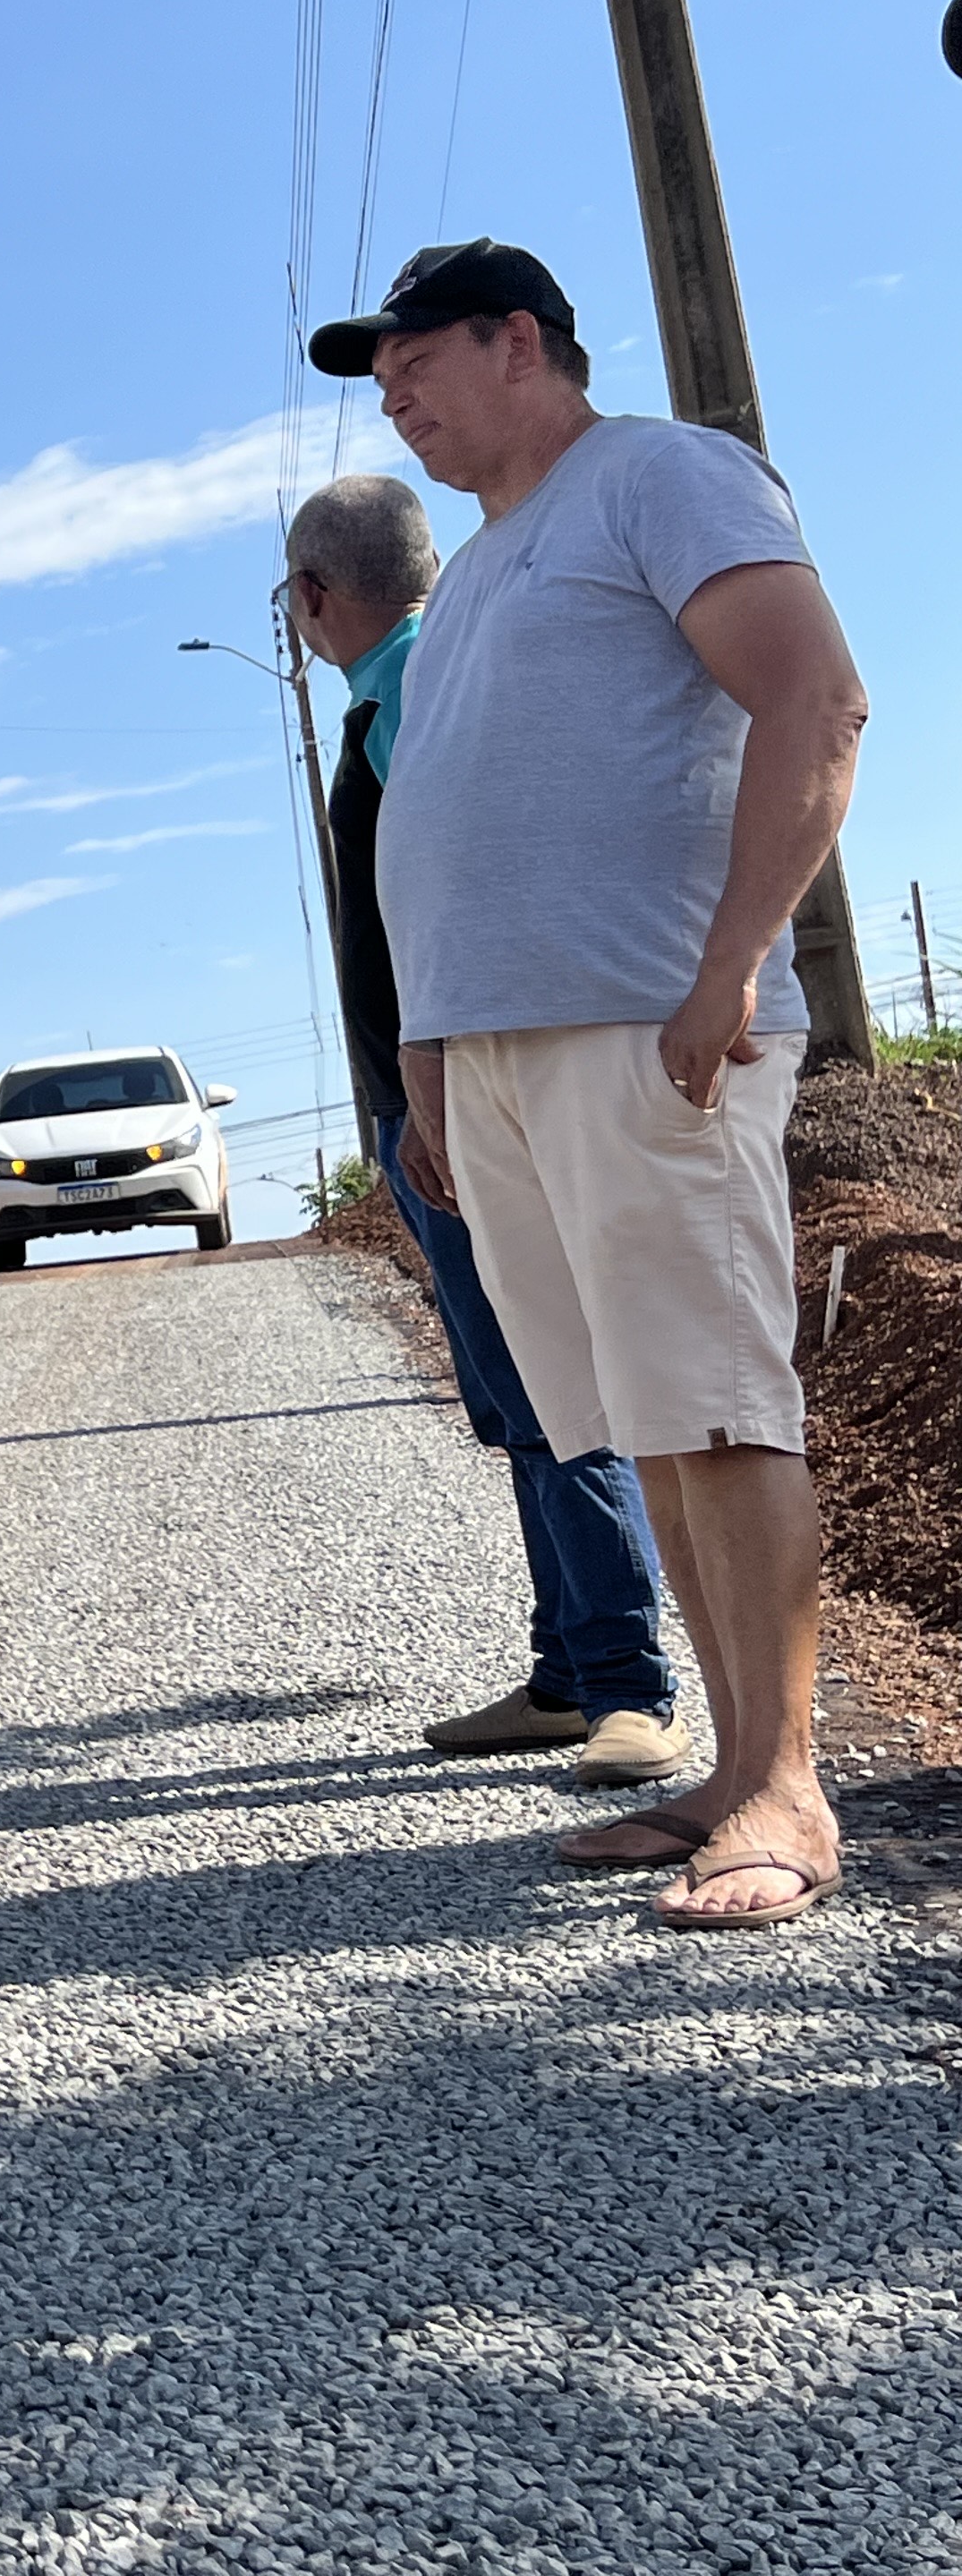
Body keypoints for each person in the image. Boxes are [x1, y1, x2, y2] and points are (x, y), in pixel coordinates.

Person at [315, 238, 870, 1929]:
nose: (393, 390)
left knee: (716, 1397)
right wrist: (429, 1063)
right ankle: (719, 1758)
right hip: (501, 1061)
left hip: (644, 1031)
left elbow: (814, 695)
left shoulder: (660, 474)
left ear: (518, 341)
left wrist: (725, 968)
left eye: (412, 355)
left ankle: (787, 1787)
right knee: (641, 1421)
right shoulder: (481, 568)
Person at [283, 473, 683, 1784]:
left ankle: (626, 1678)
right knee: (516, 1393)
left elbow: (459, 894)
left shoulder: (414, 696)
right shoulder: (407, 685)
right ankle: (569, 1667)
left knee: (550, 1379)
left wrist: (433, 1084)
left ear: (311, 600)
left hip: (460, 1092)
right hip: (449, 1087)